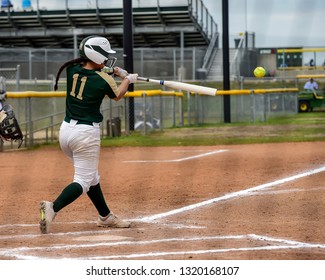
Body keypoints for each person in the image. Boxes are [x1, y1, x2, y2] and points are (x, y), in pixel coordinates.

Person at [39, 35, 138, 234]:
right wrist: (127, 79)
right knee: (83, 181)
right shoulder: (104, 80)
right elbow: (118, 95)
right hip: (85, 135)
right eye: (104, 55)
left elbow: (95, 69)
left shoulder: (72, 69)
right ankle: (53, 207)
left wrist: (116, 71)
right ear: (95, 54)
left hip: (66, 132)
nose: (107, 59)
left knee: (91, 176)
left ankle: (106, 217)